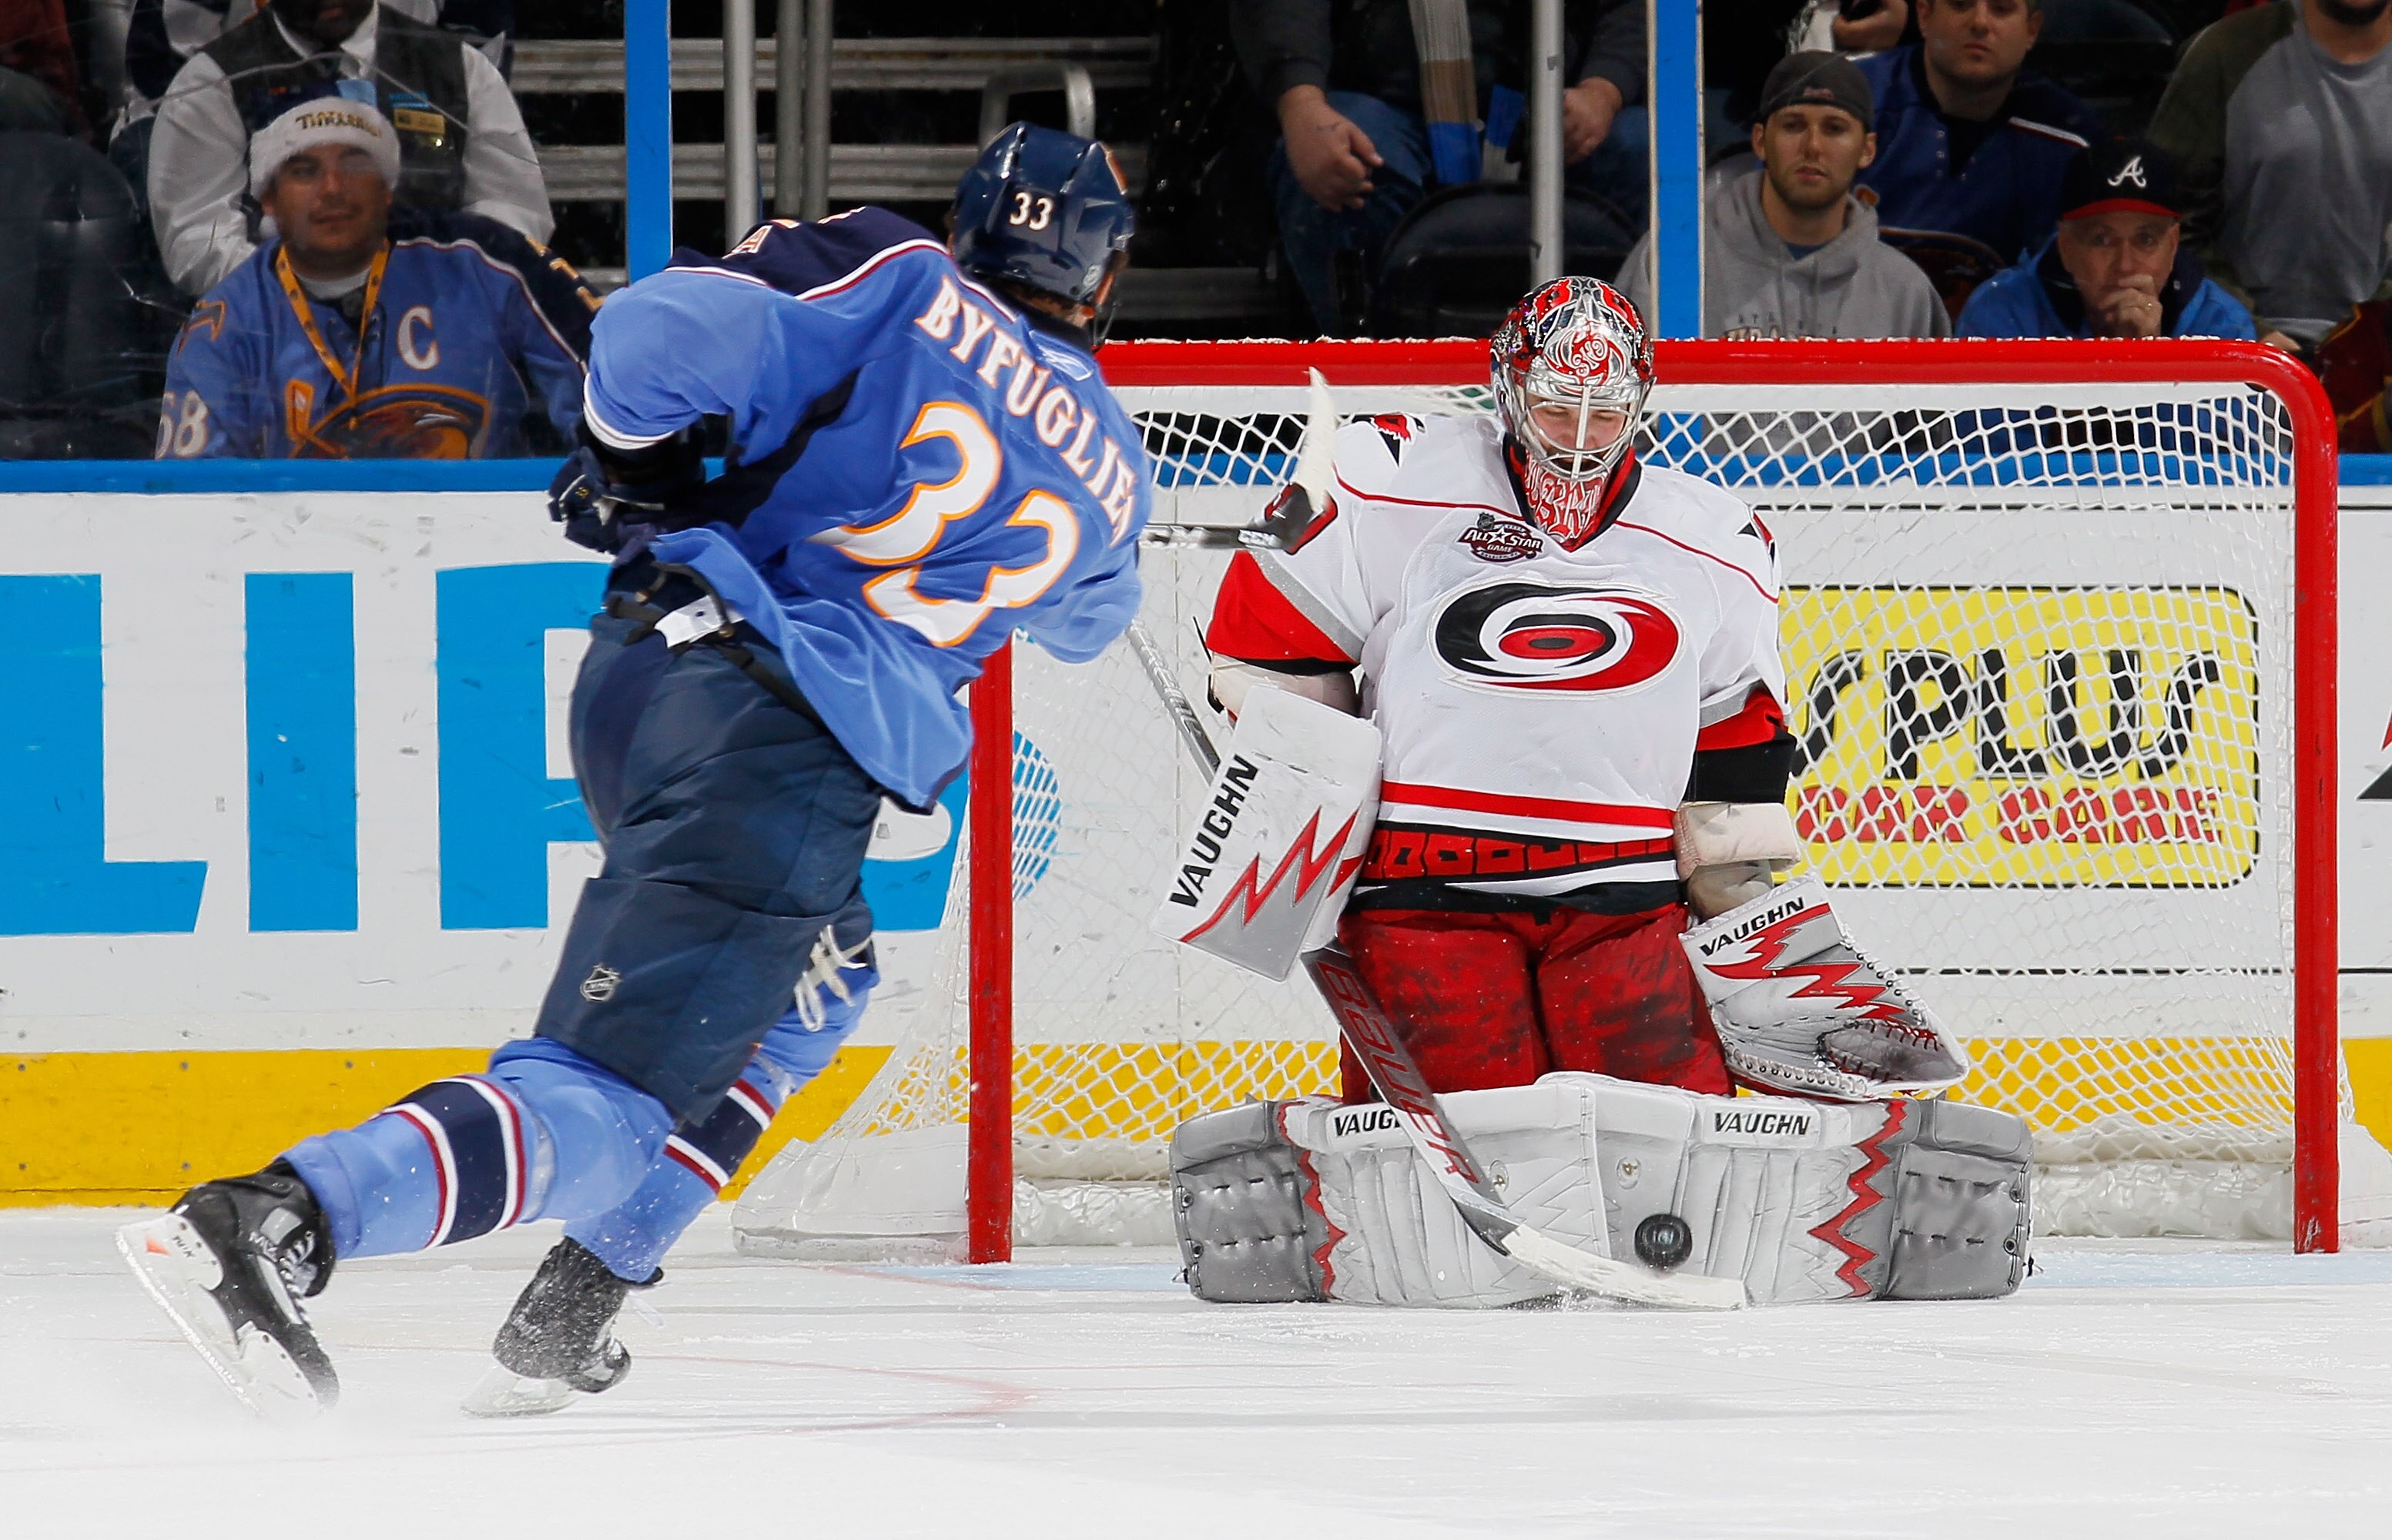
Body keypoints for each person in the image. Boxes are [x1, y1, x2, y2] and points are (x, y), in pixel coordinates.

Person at [117, 123, 1150, 1417]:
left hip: (651, 668)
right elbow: (1088, 621)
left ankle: (582, 1296)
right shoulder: (1110, 469)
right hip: (778, 748)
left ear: (968, 224)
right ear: (1103, 282)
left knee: (815, 997)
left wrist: (638, 473)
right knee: (603, 1104)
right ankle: (281, 1215)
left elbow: (654, 336)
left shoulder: (892, 271)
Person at [1202, 276, 1799, 1100]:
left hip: (1623, 905)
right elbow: (1266, 645)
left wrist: (1743, 914)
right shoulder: (1389, 475)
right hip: (1427, 900)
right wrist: (1306, 814)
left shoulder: (1716, 542)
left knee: (1666, 1144)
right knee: (1456, 1151)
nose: (1581, 441)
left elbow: (1739, 744)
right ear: (1508, 389)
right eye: (1558, 408)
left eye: (1606, 412)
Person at [156, 98, 591, 458]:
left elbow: (609, 388)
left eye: (354, 165)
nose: (332, 188)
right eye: (304, 171)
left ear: (387, 188)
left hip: (486, 536)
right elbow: (192, 503)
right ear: (268, 199)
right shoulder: (224, 325)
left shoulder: (486, 262)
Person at [1229, 0, 1648, 335]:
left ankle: (1629, 380)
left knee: (1650, 152)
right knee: (1343, 151)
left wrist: (1603, 92)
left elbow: (1637, 9)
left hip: (1564, 111)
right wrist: (1300, 102)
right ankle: (1369, 388)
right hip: (1389, 106)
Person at [148, 0, 550, 296]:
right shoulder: (212, 81)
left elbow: (514, 208)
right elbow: (196, 235)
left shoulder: (459, 68)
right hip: (274, 340)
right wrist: (306, 287)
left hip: (443, 323)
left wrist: (446, 283)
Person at [1620, 51, 1950, 340]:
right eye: (1793, 125)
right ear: (1761, 141)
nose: (1813, 147)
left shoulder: (1906, 293)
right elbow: (1612, 397)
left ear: (1867, 149)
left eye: (1834, 129)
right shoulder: (1674, 260)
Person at [2146, 0, 2392, 351]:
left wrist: (2369, 340)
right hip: (2243, 347)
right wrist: (2244, 328)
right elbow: (2164, 224)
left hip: (2380, 354)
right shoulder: (2225, 54)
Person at [1853, 0, 2105, 318]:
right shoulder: (1844, 108)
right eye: (1961, 5)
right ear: (1924, 15)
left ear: (2032, 30)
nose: (1980, 23)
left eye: (2001, 9)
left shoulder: (2073, 143)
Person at [1955, 136, 2256, 339]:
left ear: (2173, 244)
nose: (2125, 265)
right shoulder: (2000, 314)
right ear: (2066, 246)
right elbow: (1989, 434)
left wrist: (2150, 360)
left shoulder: (2222, 327)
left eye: (2146, 240)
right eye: (2101, 239)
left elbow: (2221, 436)